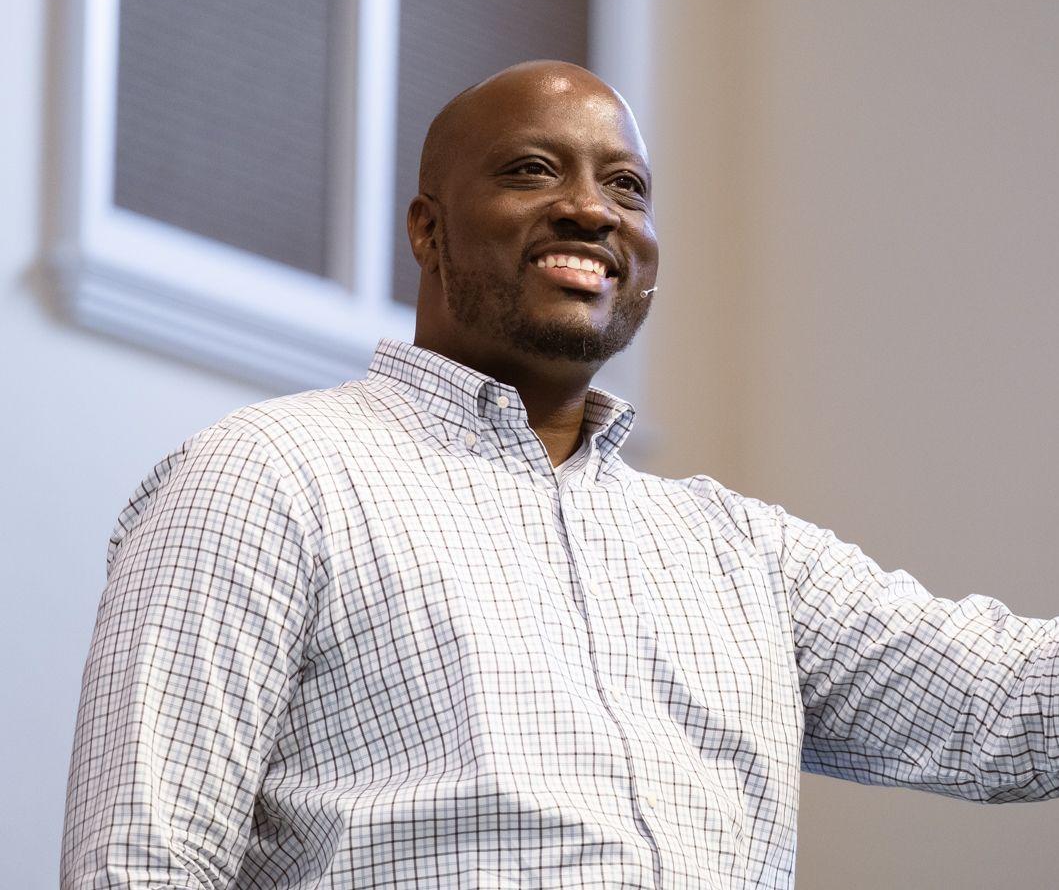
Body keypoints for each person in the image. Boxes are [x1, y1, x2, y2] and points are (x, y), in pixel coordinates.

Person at [61, 61, 1059, 889]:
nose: (591, 209)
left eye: (627, 186)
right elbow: (141, 863)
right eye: (534, 171)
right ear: (428, 230)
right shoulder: (266, 476)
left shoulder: (744, 555)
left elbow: (1007, 709)